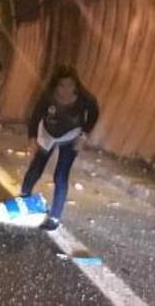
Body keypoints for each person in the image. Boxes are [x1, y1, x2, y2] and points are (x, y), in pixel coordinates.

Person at [19, 65, 99, 230]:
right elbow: (35, 117)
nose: (65, 90)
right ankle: (23, 199)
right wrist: (32, 138)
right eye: (61, 85)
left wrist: (84, 135)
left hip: (72, 135)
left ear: (76, 86)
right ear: (55, 86)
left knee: (60, 175)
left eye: (70, 85)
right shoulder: (47, 98)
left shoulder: (85, 99)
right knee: (35, 169)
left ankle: (54, 218)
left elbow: (94, 113)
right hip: (48, 133)